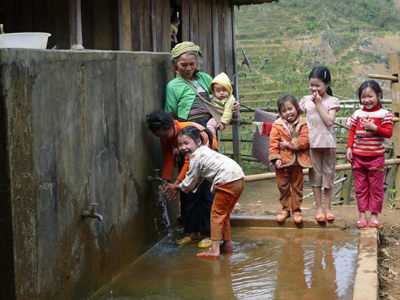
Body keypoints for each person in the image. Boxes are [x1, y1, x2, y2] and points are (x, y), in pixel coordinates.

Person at [166, 126, 245, 259]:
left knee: (215, 215)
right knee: (224, 214)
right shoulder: (205, 151)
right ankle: (227, 244)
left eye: (186, 143)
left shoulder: (196, 157)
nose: (183, 147)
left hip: (226, 180)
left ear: (198, 142)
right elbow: (198, 179)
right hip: (238, 177)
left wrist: (176, 187)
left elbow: (190, 181)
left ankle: (214, 250)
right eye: (180, 144)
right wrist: (181, 186)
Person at [146, 110, 218, 247]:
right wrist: (166, 181)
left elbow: (189, 162)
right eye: (160, 137)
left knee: (206, 195)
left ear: (173, 125)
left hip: (208, 159)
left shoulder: (185, 132)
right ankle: (192, 232)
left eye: (165, 135)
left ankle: (210, 234)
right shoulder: (166, 136)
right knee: (189, 195)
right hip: (191, 161)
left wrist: (177, 183)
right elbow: (168, 157)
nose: (165, 139)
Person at [346, 80, 393, 228]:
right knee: (360, 188)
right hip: (358, 157)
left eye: (370, 96)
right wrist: (349, 148)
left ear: (379, 95)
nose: (366, 100)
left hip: (376, 158)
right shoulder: (357, 114)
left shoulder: (384, 114)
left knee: (375, 188)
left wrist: (374, 127)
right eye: (363, 96)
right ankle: (362, 216)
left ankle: (374, 215)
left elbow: (389, 133)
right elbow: (352, 131)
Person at [299, 66, 340, 222]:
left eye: (318, 85)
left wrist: (318, 104)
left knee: (328, 176)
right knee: (315, 177)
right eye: (311, 85)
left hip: (328, 144)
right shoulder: (305, 100)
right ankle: (319, 208)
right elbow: (295, 114)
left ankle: (328, 208)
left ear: (327, 84)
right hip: (312, 144)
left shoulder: (332, 101)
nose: (314, 88)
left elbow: (329, 121)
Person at [166, 41, 240, 128]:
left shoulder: (206, 78)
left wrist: (234, 104)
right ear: (176, 63)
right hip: (188, 127)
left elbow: (222, 97)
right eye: (183, 65)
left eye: (192, 64)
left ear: (196, 62)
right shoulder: (173, 86)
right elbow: (170, 113)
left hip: (209, 125)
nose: (188, 68)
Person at [269, 95, 312, 223]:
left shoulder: (303, 123)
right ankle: (286, 209)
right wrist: (276, 158)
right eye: (284, 111)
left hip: (297, 162)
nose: (288, 113)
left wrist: (289, 144)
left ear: (296, 108)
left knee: (297, 187)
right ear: (280, 113)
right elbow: (273, 143)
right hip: (282, 163)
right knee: (282, 186)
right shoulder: (277, 126)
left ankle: (296, 210)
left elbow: (305, 140)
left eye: (290, 108)